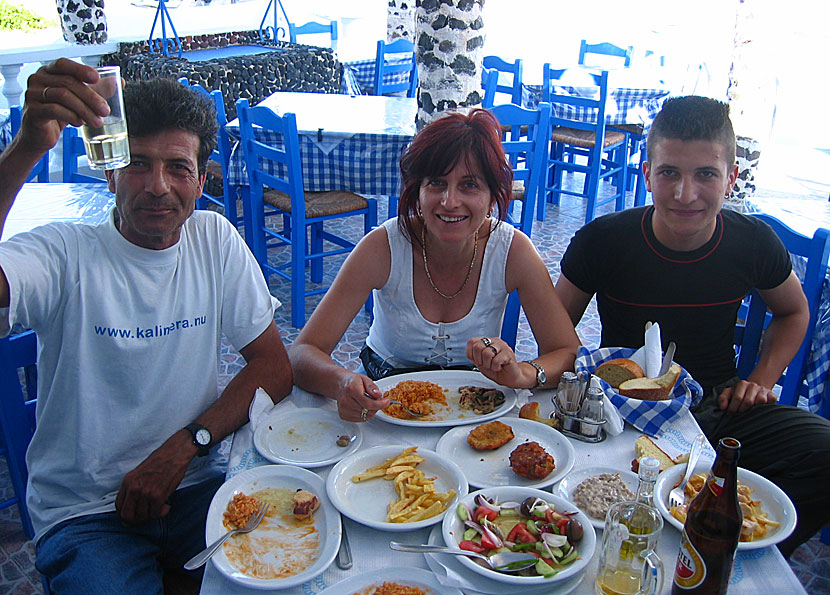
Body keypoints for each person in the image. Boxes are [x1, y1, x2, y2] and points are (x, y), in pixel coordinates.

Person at [0, 59, 293, 592]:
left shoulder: (214, 239)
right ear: (110, 168)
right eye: (137, 163)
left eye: (178, 167)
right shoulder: (67, 254)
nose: (158, 186)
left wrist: (187, 445)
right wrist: (26, 148)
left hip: (195, 484)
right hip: (85, 515)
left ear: (201, 180)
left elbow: (273, 366)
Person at [556, 95, 830, 556]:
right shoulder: (602, 241)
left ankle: (724, 548)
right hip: (621, 413)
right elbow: (555, 330)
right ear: (647, 174)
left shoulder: (753, 242)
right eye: (669, 173)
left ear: (731, 178)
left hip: (720, 407)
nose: (686, 194)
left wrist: (760, 381)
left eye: (706, 174)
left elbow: (795, 311)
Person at [289, 108, 580, 422]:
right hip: (382, 402)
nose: (450, 201)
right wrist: (342, 382)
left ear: (493, 195)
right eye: (437, 183)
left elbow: (567, 353)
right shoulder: (382, 247)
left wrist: (523, 374)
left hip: (475, 405)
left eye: (469, 185)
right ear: (418, 189)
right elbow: (302, 353)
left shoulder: (513, 251)